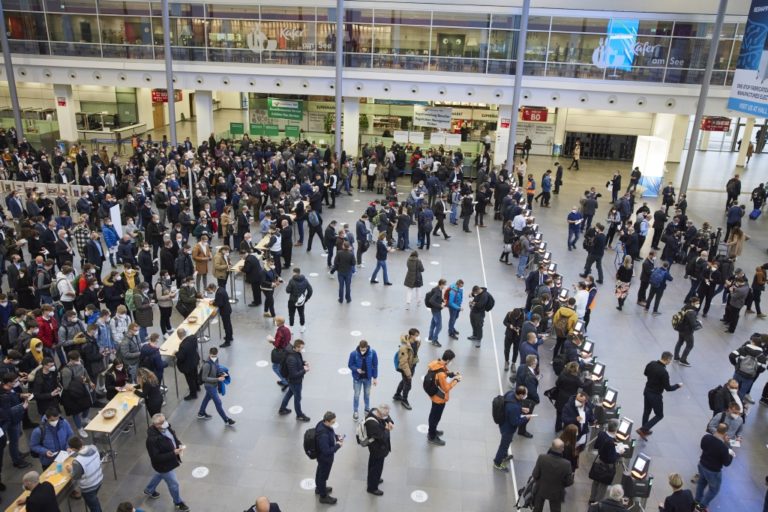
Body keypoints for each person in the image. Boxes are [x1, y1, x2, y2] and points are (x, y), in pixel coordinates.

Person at [143, 413, 190, 511]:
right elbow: (156, 458)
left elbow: (173, 437)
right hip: (164, 465)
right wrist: (173, 453)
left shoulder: (166, 427)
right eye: (162, 422)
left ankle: (149, 490)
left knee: (160, 475)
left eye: (164, 420)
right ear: (156, 425)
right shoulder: (151, 441)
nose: (165, 423)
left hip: (168, 462)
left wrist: (179, 444)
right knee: (174, 484)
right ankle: (178, 502)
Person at [636, 351, 682, 440]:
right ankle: (643, 429)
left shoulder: (651, 363)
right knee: (659, 415)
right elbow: (668, 388)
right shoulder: (664, 372)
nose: (670, 362)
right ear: (667, 359)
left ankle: (644, 429)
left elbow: (645, 373)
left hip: (647, 391)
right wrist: (678, 386)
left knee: (646, 411)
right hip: (655, 396)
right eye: (670, 360)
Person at [426, 349, 461, 446]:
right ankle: (432, 436)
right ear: (448, 360)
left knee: (433, 415)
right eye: (452, 360)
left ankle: (432, 430)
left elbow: (442, 371)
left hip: (434, 395)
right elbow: (446, 388)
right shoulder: (441, 373)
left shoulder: (436, 363)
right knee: (435, 417)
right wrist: (456, 380)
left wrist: (452, 374)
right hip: (439, 398)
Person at [695, 423, 734, 510]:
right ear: (725, 433)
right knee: (714, 490)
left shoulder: (706, 437)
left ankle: (697, 500)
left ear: (717, 429)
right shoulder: (723, 447)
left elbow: (702, 447)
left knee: (701, 483)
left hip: (702, 464)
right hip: (713, 471)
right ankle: (702, 506)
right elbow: (726, 463)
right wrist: (730, 453)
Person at [492, 385, 530, 472]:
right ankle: (497, 462)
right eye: (525, 395)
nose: (525, 396)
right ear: (520, 395)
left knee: (507, 442)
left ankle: (504, 456)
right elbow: (515, 422)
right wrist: (525, 418)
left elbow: (512, 407)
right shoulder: (514, 407)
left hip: (503, 423)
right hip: (507, 429)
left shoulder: (510, 393)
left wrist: (521, 409)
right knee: (504, 446)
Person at [531, 438, 575, 512]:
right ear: (561, 449)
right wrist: (561, 485)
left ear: (551, 447)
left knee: (537, 509)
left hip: (541, 489)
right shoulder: (566, 464)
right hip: (556, 492)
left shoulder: (542, 458)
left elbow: (535, 474)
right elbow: (569, 482)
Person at [589, 419, 626, 503]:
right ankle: (597, 503)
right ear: (616, 428)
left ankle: (592, 499)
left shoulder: (601, 434)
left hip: (599, 462)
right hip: (606, 466)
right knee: (603, 486)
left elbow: (597, 446)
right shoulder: (610, 442)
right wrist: (619, 453)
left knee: (595, 482)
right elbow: (611, 458)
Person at [197, 347, 235, 427]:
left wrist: (221, 373)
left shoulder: (216, 359)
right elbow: (204, 378)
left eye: (215, 356)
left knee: (207, 398)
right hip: (209, 386)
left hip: (214, 384)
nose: (214, 357)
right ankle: (226, 420)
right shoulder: (207, 365)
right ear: (209, 354)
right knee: (218, 402)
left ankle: (201, 413)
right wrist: (217, 379)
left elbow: (216, 368)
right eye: (213, 356)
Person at [66, 436, 103, 512]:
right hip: (99, 480)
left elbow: (75, 476)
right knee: (94, 501)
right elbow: (85, 455)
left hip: (89, 487)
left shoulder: (77, 462)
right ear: (81, 441)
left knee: (95, 508)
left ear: (73, 449)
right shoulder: (93, 448)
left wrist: (70, 470)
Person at [364, 405, 393, 496]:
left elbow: (387, 417)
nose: (386, 417)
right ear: (379, 414)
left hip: (376, 448)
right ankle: (372, 488)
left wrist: (389, 421)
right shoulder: (372, 424)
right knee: (376, 467)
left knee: (373, 465)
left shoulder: (374, 411)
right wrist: (387, 429)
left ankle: (374, 479)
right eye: (384, 416)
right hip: (377, 449)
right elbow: (382, 437)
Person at [314, 411, 343, 505]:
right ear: (327, 421)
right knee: (323, 476)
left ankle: (319, 488)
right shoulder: (323, 435)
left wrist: (336, 437)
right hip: (325, 459)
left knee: (320, 472)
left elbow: (330, 432)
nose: (334, 424)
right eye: (333, 422)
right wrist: (338, 445)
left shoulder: (322, 424)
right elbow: (326, 451)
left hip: (321, 457)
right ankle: (323, 496)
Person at [278, 339, 310, 422]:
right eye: (301, 347)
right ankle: (299, 415)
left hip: (293, 382)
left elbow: (298, 362)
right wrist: (304, 370)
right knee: (297, 398)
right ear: (296, 347)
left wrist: (304, 363)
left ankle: (282, 409)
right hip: (295, 382)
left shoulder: (296, 353)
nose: (302, 349)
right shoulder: (291, 358)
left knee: (289, 393)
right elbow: (293, 374)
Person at [347, 340, 378, 420]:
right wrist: (356, 369)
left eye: (364, 350)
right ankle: (355, 411)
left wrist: (375, 378)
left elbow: (375, 365)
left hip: (368, 378)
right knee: (356, 395)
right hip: (357, 379)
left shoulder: (372, 353)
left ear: (367, 347)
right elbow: (350, 365)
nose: (362, 351)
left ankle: (367, 409)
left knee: (367, 394)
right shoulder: (354, 354)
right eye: (361, 349)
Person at [393, 328, 421, 411]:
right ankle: (404, 400)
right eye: (416, 335)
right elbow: (403, 363)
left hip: (412, 365)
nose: (418, 337)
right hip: (406, 368)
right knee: (408, 385)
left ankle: (397, 394)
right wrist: (408, 374)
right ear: (411, 336)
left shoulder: (416, 342)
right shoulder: (404, 348)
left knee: (404, 381)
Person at [673, 297, 700, 367]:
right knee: (690, 345)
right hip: (688, 331)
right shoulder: (691, 312)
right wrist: (699, 323)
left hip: (681, 329)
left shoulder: (685, 307)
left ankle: (676, 357)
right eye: (697, 303)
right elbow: (693, 324)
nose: (698, 304)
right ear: (692, 303)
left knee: (679, 342)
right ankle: (683, 360)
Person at [175, 329, 200, 401]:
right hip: (194, 360)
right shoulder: (193, 338)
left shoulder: (183, 346)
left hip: (188, 365)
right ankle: (197, 387)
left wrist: (176, 353)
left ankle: (193, 394)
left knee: (190, 380)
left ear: (179, 336)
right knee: (195, 374)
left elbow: (181, 357)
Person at [286, 268, 313, 333]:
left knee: (291, 314)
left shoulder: (291, 281)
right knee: (301, 314)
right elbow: (310, 290)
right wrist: (306, 298)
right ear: (299, 272)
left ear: (294, 272)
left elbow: (287, 291)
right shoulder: (305, 280)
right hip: (301, 301)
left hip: (292, 301)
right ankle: (302, 327)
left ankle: (291, 328)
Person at [208, 283, 233, 348]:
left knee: (226, 326)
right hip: (228, 309)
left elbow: (219, 303)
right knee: (229, 324)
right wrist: (215, 301)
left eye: (211, 290)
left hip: (225, 311)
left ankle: (227, 342)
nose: (211, 291)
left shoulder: (218, 293)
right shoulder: (221, 289)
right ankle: (230, 337)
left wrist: (213, 303)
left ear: (213, 288)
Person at [427, 279, 447, 347]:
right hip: (436, 310)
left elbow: (437, 298)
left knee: (433, 324)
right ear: (441, 284)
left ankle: (430, 337)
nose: (445, 286)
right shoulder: (437, 291)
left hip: (434, 310)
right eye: (444, 284)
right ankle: (434, 340)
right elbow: (431, 300)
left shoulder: (437, 289)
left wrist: (442, 300)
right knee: (439, 326)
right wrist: (440, 305)